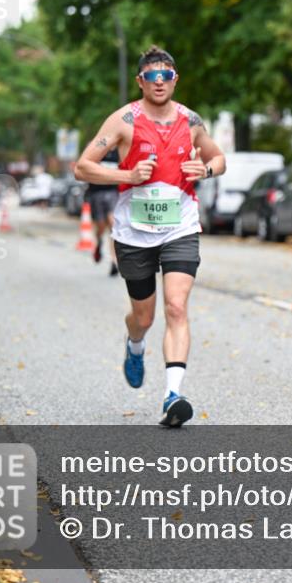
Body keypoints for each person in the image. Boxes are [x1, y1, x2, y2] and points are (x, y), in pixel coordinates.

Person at [74, 46, 225, 427]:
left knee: (176, 307)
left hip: (180, 226)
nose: (160, 82)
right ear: (141, 81)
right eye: (152, 76)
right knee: (144, 316)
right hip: (134, 233)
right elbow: (82, 167)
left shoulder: (191, 120)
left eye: (167, 76)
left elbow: (218, 158)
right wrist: (127, 176)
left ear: (176, 80)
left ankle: (173, 395)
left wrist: (203, 171)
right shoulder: (123, 120)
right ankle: (135, 344)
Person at [84, 148, 121, 276]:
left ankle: (114, 261)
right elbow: (83, 168)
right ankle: (99, 242)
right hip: (96, 193)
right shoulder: (95, 149)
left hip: (113, 192)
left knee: (113, 225)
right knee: (100, 226)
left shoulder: (118, 152)